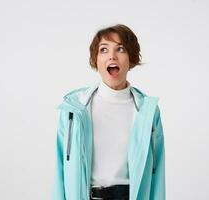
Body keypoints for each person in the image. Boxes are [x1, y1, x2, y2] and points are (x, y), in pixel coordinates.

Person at [52, 24, 165, 200]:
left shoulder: (147, 112)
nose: (112, 56)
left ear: (131, 58)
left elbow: (157, 177)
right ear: (95, 59)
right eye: (103, 50)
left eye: (120, 49)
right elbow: (59, 172)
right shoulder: (74, 109)